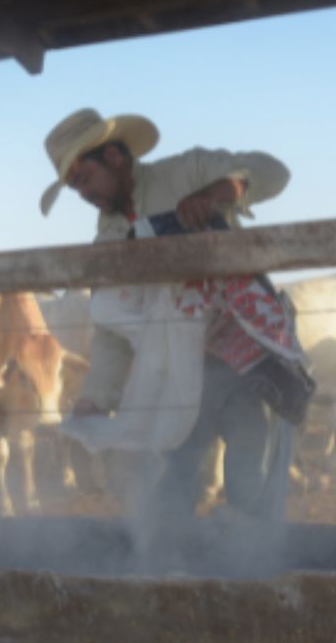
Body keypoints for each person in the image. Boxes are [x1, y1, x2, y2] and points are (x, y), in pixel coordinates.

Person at [40, 108, 307, 525]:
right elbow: (111, 332)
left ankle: (251, 569)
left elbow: (274, 172)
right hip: (178, 384)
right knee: (174, 482)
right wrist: (95, 398)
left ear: (113, 156)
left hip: (243, 366)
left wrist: (221, 191)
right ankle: (176, 572)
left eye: (84, 179)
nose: (84, 194)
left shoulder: (188, 172)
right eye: (75, 187)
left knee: (247, 480)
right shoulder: (107, 240)